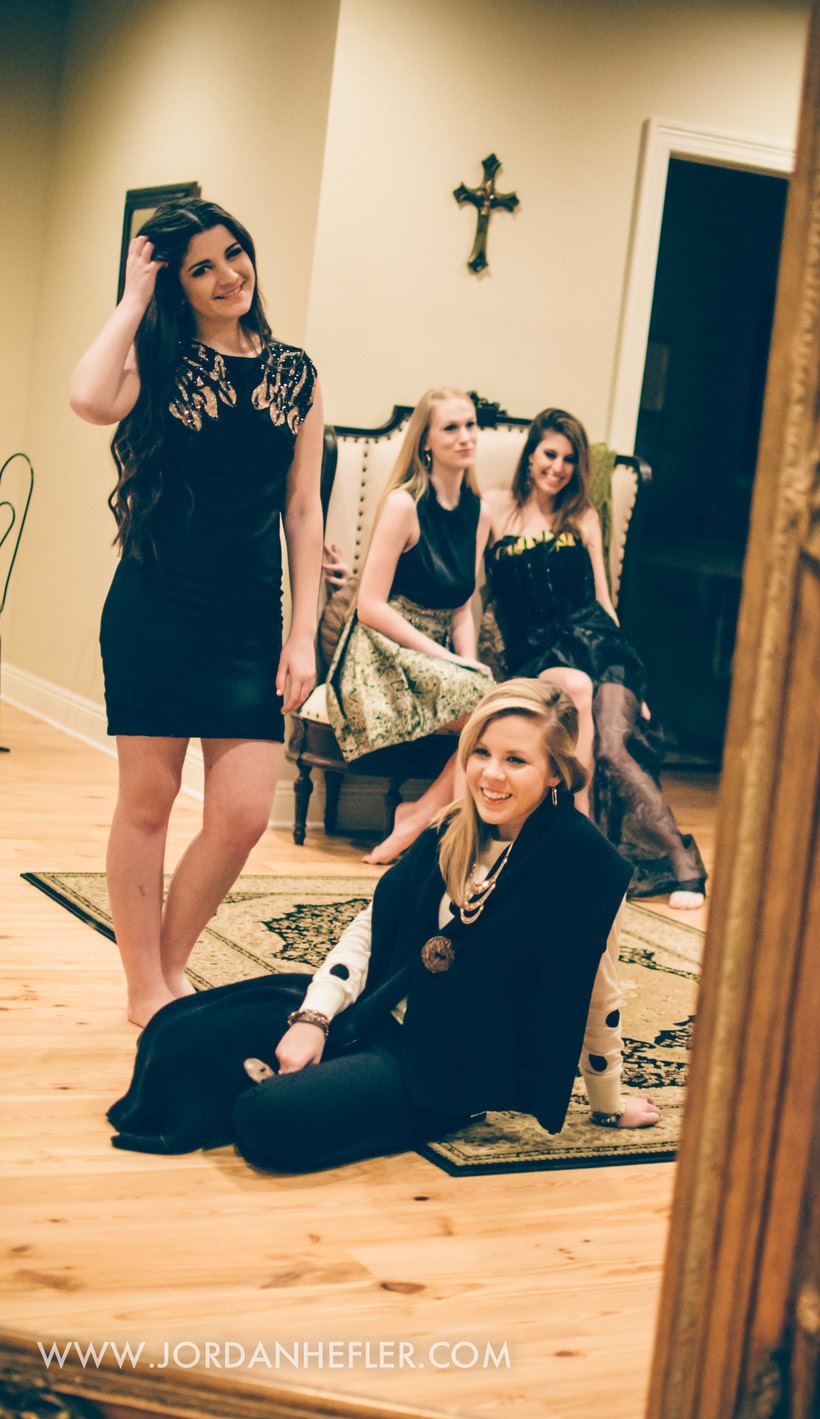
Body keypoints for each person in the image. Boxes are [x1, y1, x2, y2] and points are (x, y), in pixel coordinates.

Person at [106, 680, 660, 1168]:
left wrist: (608, 1103)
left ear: (556, 771)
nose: (491, 775)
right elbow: (370, 930)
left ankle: (296, 1093)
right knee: (176, 1034)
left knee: (267, 1121)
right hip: (373, 1009)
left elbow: (598, 995)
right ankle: (283, 1081)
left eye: (516, 760)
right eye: (481, 753)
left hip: (442, 1063)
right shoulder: (453, 828)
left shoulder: (585, 868)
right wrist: (314, 1018)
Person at [69, 198, 327, 1027]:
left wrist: (303, 635)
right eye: (202, 267)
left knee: (244, 815)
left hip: (249, 621)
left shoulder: (296, 373)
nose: (227, 275)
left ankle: (169, 962)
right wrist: (132, 301)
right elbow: (88, 398)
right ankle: (146, 987)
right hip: (157, 609)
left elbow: (303, 511)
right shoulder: (160, 359)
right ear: (178, 286)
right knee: (147, 805)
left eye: (234, 254)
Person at [482, 409, 707, 905]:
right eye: (550, 454)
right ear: (531, 455)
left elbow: (603, 600)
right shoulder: (494, 508)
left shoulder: (583, 515)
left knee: (615, 747)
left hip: (601, 646)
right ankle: (584, 842)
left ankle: (683, 867)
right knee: (584, 707)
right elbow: (470, 591)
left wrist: (634, 685)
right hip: (540, 652)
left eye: (569, 459)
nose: (558, 467)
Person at [323, 387, 493, 864]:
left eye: (470, 425)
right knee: (490, 713)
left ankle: (422, 818)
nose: (465, 437)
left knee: (493, 709)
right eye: (451, 428)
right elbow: (370, 607)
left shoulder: (478, 511)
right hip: (381, 653)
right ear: (426, 441)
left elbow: (461, 607)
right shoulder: (404, 504)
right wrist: (448, 661)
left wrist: (468, 665)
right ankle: (451, 841)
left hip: (437, 654)